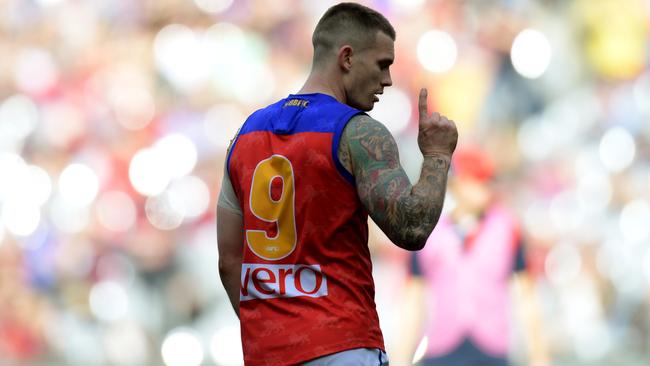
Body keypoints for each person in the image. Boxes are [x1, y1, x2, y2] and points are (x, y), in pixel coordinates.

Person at [216, 3, 458, 365]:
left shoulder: (245, 135)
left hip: (267, 353)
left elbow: (229, 260)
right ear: (347, 57)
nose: (388, 80)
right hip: (342, 345)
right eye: (382, 64)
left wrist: (272, 330)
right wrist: (438, 156)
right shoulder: (357, 132)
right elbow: (412, 227)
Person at [394, 144, 549, 366]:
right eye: (476, 181)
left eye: (486, 182)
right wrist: (401, 357)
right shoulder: (428, 231)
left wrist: (539, 357)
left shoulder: (507, 229)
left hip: (491, 347)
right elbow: (413, 299)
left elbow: (526, 296)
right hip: (442, 347)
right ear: (457, 184)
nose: (483, 189)